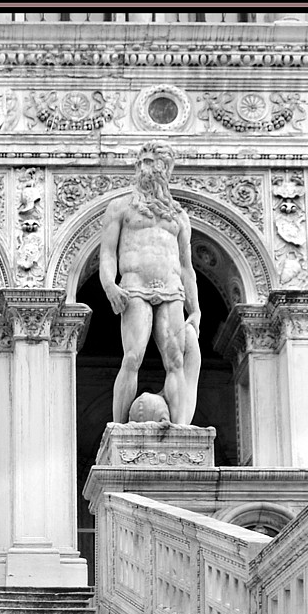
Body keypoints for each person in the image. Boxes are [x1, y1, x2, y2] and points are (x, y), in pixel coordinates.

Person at [97, 142, 202, 427]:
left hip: (172, 290)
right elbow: (107, 252)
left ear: (166, 169)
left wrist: (196, 308)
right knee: (132, 358)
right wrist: (109, 285)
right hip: (134, 288)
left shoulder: (179, 216)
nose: (145, 168)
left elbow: (185, 265)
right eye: (141, 161)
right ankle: (117, 428)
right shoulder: (120, 207)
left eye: (152, 162)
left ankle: (180, 430)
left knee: (176, 361)